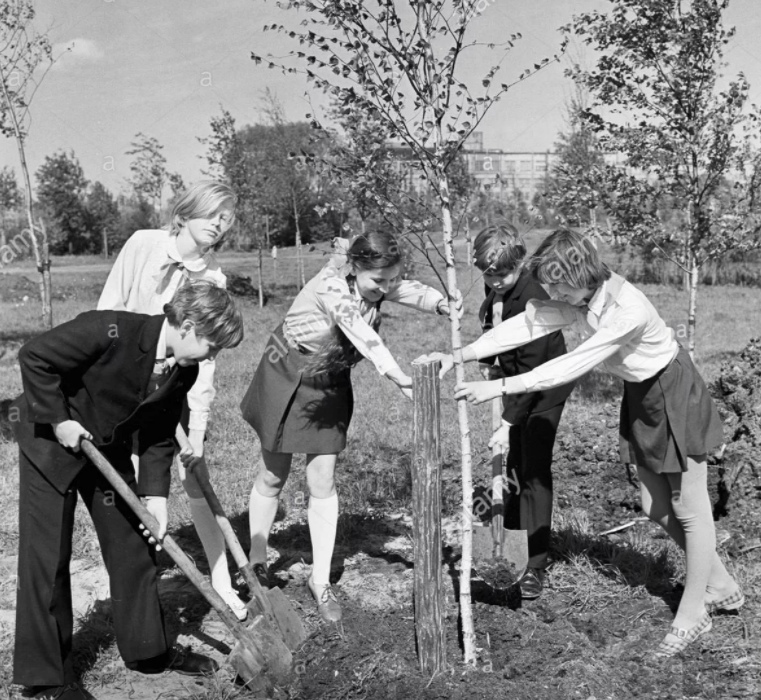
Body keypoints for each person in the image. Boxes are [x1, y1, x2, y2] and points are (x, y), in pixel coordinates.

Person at [437, 228, 742, 657]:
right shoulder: (583, 297)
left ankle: (695, 612)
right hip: (642, 394)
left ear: (579, 274)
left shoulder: (625, 309)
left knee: (689, 507)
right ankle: (722, 583)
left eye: (557, 283)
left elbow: (572, 362)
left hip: (674, 391)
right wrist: (460, 355)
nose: (551, 291)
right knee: (655, 507)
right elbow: (526, 324)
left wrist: (500, 386)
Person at [12, 281, 244, 700]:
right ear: (187, 326)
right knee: (47, 555)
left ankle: (148, 651)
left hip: (106, 447)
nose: (213, 356)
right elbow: (35, 357)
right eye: (212, 345)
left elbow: (156, 434)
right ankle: (46, 679)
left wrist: (155, 498)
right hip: (50, 439)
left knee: (136, 545)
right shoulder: (109, 329)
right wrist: (60, 420)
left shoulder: (183, 368)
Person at [240, 232, 453, 622]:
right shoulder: (332, 288)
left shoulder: (377, 282)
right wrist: (397, 376)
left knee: (322, 478)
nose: (386, 288)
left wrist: (442, 304)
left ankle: (320, 581)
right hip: (288, 372)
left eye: (391, 279)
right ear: (354, 269)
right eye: (378, 282)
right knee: (273, 473)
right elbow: (362, 333)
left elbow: (409, 290)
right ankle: (256, 562)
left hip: (329, 381)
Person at [97, 181, 246, 620]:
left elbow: (207, 361)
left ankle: (222, 582)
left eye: (227, 219)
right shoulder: (143, 245)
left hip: (174, 386)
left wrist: (197, 428)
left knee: (194, 479)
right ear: (186, 212)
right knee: (139, 489)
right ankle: (141, 598)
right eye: (213, 214)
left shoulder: (212, 278)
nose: (220, 226)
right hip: (122, 381)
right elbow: (109, 309)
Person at [471, 224, 573, 599]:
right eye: (488, 273)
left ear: (520, 264)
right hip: (515, 378)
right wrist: (488, 357)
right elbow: (492, 318)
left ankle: (535, 563)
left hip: (546, 385)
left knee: (534, 469)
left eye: (504, 274)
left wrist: (507, 422)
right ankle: (508, 531)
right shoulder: (497, 283)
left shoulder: (535, 300)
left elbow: (533, 373)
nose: (495, 281)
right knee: (515, 462)